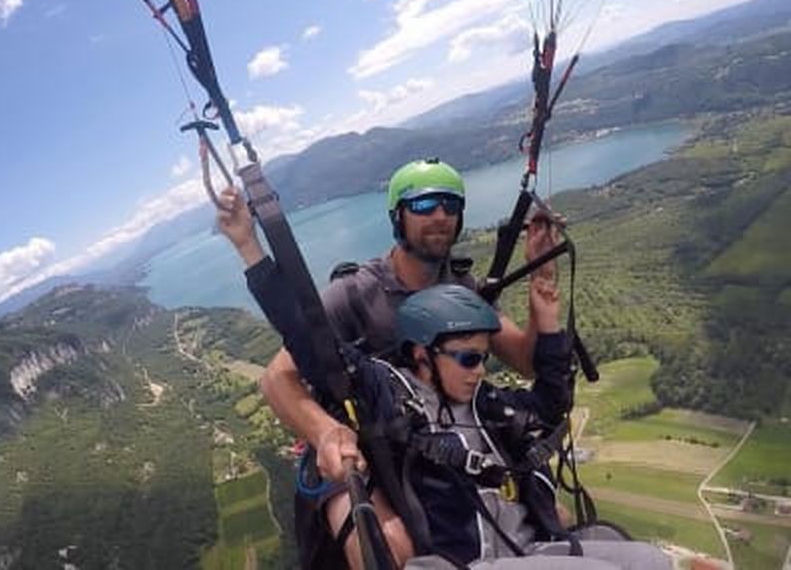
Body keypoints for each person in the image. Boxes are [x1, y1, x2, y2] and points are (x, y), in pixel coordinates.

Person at [224, 221, 671, 569]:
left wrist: (546, 315)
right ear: (422, 354)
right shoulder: (388, 392)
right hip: (466, 561)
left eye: (484, 358)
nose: (481, 371)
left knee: (647, 558)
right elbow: (308, 332)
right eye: (468, 359)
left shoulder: (486, 405)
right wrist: (249, 245)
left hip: (529, 545)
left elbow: (553, 402)